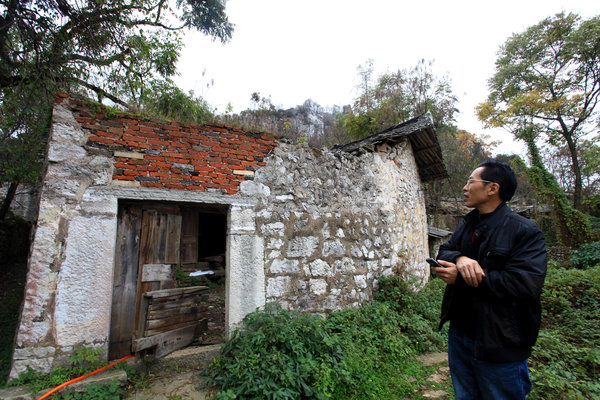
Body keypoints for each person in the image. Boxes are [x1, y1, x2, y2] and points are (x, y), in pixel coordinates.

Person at [431, 160, 547, 400]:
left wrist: (460, 279)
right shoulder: (469, 223)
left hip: (499, 342)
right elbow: (445, 251)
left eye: (470, 181)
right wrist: (461, 258)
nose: (464, 187)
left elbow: (525, 284)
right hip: (461, 335)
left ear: (492, 188)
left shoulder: (525, 231)